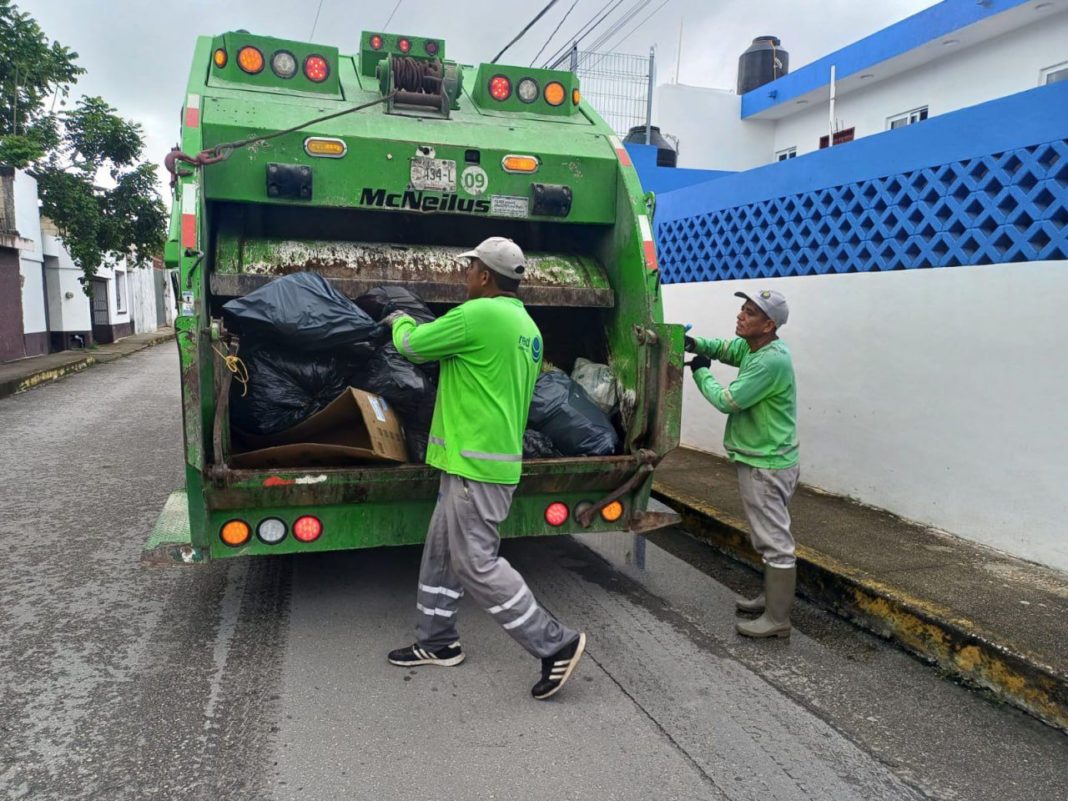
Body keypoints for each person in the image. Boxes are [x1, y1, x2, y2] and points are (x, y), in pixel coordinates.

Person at [382, 236, 586, 699]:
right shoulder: (527, 329)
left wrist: (399, 321)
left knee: (475, 563)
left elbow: (414, 346)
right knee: (440, 552)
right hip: (479, 462)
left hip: (476, 465)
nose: (465, 275)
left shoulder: (479, 315)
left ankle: (555, 643)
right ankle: (438, 642)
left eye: (469, 268)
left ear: (486, 276)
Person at [685, 289, 799, 638]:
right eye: (742, 308)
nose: (740, 315)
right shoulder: (755, 349)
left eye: (750, 313)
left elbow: (728, 401)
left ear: (768, 325)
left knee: (774, 540)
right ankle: (770, 599)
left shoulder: (769, 362)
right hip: (769, 459)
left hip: (766, 464)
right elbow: (726, 348)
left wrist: (700, 372)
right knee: (768, 534)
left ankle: (778, 619)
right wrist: (693, 344)